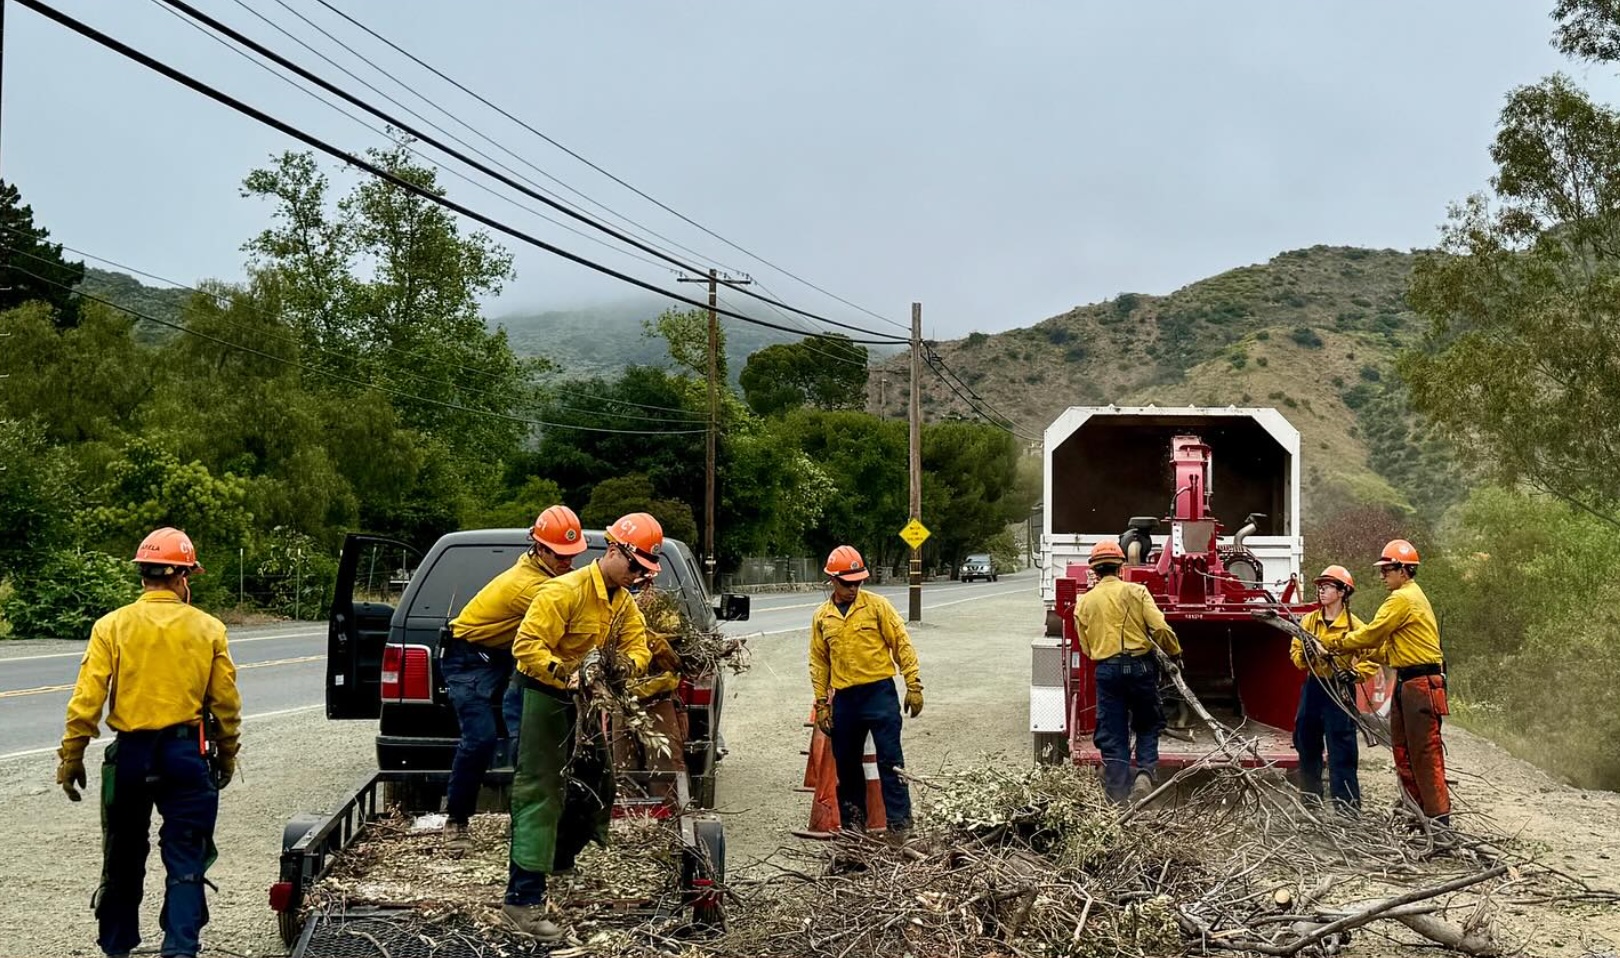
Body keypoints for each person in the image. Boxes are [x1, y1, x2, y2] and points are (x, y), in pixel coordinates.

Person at [56, 527, 242, 958]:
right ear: (182, 577)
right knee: (185, 855)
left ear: (143, 576)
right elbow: (226, 704)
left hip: (131, 756)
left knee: (122, 855)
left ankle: (118, 946)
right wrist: (228, 754)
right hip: (186, 753)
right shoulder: (208, 629)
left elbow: (86, 701)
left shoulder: (111, 626)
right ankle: (179, 949)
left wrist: (72, 757)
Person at [501, 512, 658, 941]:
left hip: (580, 703)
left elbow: (638, 646)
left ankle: (558, 859)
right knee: (541, 792)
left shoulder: (621, 601)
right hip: (540, 694)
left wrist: (622, 668)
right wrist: (566, 674)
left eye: (645, 571)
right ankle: (522, 899)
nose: (638, 576)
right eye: (635, 567)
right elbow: (526, 646)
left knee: (596, 783)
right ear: (613, 550)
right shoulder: (563, 591)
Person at [441, 505, 587, 853]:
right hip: (470, 658)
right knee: (481, 739)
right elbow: (575, 608)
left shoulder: (551, 578)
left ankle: (525, 821)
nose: (569, 562)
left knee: (531, 738)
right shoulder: (528, 586)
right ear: (539, 548)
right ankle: (456, 820)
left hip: (510, 654)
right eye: (561, 555)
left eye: (573, 555)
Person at [1321, 539, 1451, 827]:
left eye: (1387, 570)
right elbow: (1387, 649)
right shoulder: (1407, 597)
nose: (1382, 576)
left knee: (1425, 754)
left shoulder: (1402, 598)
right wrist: (1359, 651)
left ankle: (1439, 822)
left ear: (1403, 571)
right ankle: (1418, 814)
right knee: (1404, 751)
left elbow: (1372, 635)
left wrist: (1338, 643)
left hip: (1421, 682)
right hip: (1409, 680)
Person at [808, 545, 923, 837]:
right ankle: (854, 830)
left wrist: (913, 684)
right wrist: (822, 704)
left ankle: (900, 827)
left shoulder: (877, 606)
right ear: (832, 580)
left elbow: (901, 643)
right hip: (846, 700)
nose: (854, 588)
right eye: (848, 583)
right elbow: (819, 662)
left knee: (891, 762)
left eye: (858, 581)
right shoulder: (823, 618)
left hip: (880, 695)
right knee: (847, 769)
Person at [1073, 540, 1181, 804]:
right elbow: (1161, 629)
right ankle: (1144, 776)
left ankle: (1117, 798)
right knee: (1146, 723)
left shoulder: (1084, 603)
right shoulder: (1137, 592)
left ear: (1095, 572)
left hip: (1107, 670)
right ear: (1121, 568)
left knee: (1113, 732)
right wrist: (1174, 652)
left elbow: (1086, 647)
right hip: (1141, 667)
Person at [1289, 565, 1378, 813]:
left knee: (1342, 748)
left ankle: (1347, 808)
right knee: (1306, 743)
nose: (1321, 591)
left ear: (1342, 592)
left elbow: (1372, 657)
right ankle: (1310, 803)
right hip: (1314, 687)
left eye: (1327, 587)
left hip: (1340, 691)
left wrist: (1355, 674)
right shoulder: (1309, 622)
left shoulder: (1355, 626)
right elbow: (1295, 655)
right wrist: (1306, 654)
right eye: (1320, 587)